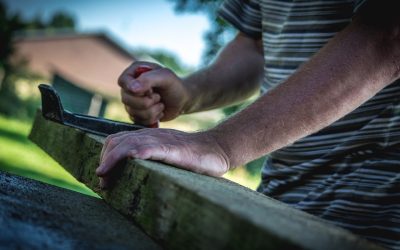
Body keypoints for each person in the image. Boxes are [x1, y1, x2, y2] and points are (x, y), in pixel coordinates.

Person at [96, 1, 400, 248]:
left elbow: (388, 37)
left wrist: (220, 144)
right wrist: (189, 94)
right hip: (275, 200)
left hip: (373, 218)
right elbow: (255, 47)